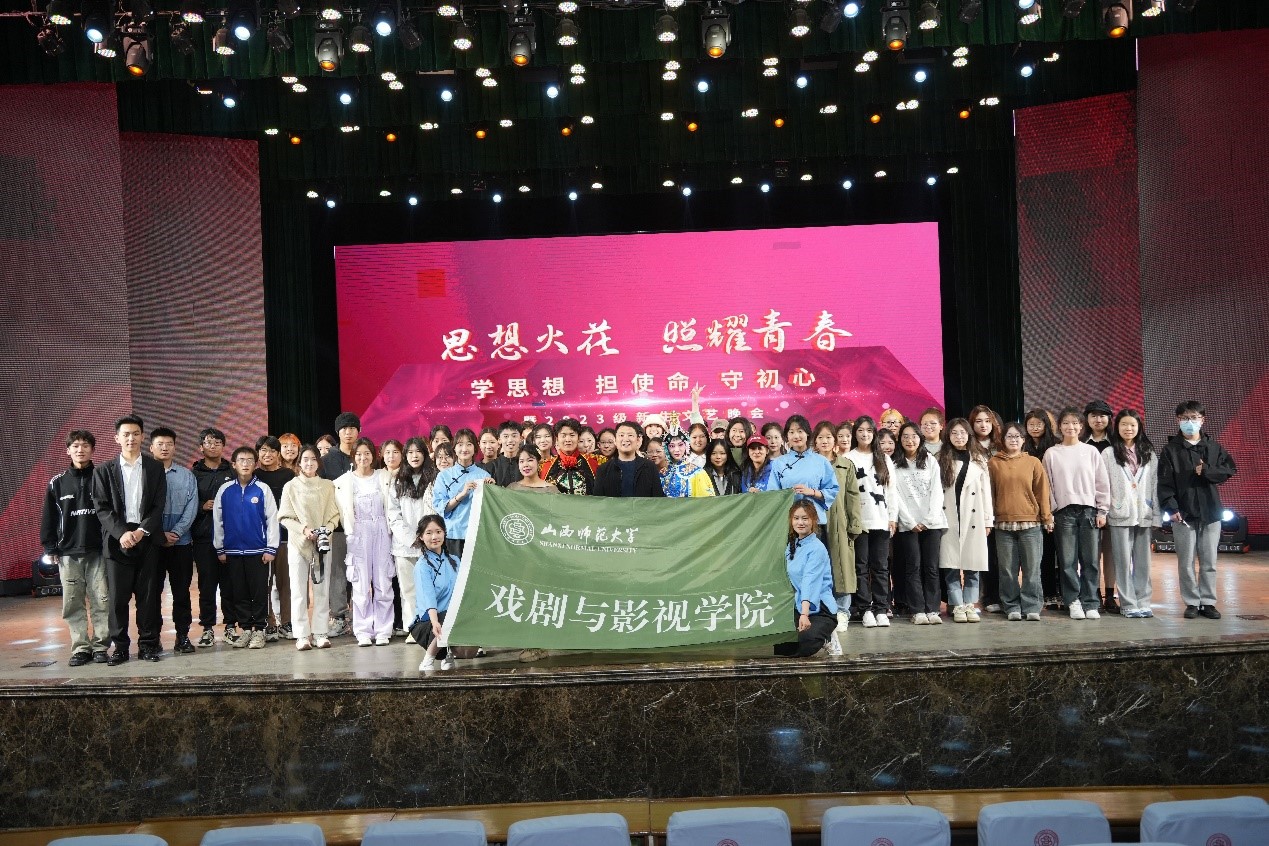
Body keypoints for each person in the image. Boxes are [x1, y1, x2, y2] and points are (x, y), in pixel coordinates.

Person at [93, 414, 167, 665]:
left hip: (147, 538)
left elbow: (158, 505)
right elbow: (102, 507)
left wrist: (142, 531)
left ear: (142, 437)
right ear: (117, 438)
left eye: (135, 434)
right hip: (118, 540)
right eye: (126, 434)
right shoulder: (104, 471)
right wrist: (122, 533)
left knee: (148, 597)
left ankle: (148, 645)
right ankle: (121, 648)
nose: (131, 438)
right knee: (118, 599)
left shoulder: (155, 468)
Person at [1158, 400, 1236, 620]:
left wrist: (1207, 471)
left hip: (1211, 511)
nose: (1189, 422)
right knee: (1186, 561)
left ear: (1203, 420)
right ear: (1178, 420)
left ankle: (1208, 602)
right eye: (1185, 418)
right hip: (1182, 513)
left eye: (1194, 417)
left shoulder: (1213, 447)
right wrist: (1171, 507)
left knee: (1209, 560)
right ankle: (1192, 601)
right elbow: (1164, 482)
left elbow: (1229, 469)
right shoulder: (1170, 450)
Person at [41, 430, 109, 666]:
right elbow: (49, 518)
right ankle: (80, 648)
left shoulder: (102, 477)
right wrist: (50, 547)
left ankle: (101, 647)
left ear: (93, 450)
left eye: (85, 446)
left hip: (99, 551)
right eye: (76, 446)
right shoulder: (57, 483)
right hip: (68, 553)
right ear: (68, 450)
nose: (81, 450)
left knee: (102, 600)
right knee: (72, 603)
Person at [334, 437, 405, 646]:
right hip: (358, 533)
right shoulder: (343, 481)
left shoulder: (384, 476)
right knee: (360, 583)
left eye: (367, 453)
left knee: (383, 581)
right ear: (353, 456)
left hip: (382, 531)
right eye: (358, 454)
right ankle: (363, 630)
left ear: (374, 456)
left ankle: (383, 629)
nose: (363, 458)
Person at [1044, 407, 1111, 621]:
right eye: (1066, 423)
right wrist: (1051, 511)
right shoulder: (1052, 453)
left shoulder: (1091, 452)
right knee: (1067, 561)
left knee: (1090, 560)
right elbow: (1047, 485)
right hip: (1063, 512)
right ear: (1060, 427)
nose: (1070, 427)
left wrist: (1102, 510)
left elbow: (1101, 482)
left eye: (1075, 423)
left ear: (1081, 427)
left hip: (1089, 511)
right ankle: (1073, 601)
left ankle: (1090, 602)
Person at [213, 446, 279, 650]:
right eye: (241, 460)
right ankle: (246, 629)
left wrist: (271, 548)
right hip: (232, 551)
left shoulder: (262, 489)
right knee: (239, 592)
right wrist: (220, 548)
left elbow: (272, 519)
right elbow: (218, 520)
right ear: (233, 464)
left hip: (258, 551)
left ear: (255, 464)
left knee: (259, 592)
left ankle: (259, 629)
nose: (245, 464)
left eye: (250, 460)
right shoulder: (225, 490)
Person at [277, 445, 341, 650]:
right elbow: (284, 517)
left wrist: (324, 531)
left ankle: (321, 632)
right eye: (305, 459)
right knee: (298, 590)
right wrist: (303, 530)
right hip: (298, 544)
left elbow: (334, 516)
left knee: (322, 589)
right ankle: (302, 635)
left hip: (322, 544)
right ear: (299, 462)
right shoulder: (291, 486)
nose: (309, 463)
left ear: (318, 462)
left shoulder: (328, 486)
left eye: (313, 459)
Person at [989, 422, 1053, 622]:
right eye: (1009, 436)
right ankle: (1011, 606)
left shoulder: (1033, 462)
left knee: (1032, 569)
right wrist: (989, 518)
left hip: (1030, 525)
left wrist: (1047, 517)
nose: (1013, 440)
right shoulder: (993, 463)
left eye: (1017, 436)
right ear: (1003, 440)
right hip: (1003, 525)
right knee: (1007, 570)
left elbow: (1042, 492)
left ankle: (1032, 606)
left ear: (1024, 440)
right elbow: (990, 493)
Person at [1103, 409, 1161, 619]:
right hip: (1119, 514)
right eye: (1124, 425)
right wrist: (1104, 510)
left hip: (1143, 513)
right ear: (1117, 427)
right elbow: (1103, 485)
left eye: (1132, 425)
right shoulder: (1109, 453)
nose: (1128, 429)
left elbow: (1155, 484)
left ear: (1139, 428)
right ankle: (1128, 604)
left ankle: (1143, 602)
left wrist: (1156, 514)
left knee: (1143, 563)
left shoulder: (1149, 453)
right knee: (1122, 562)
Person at [149, 427, 199, 654]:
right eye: (160, 444)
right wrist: (159, 534)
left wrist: (177, 532)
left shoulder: (187, 475)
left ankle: (183, 636)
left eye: (169, 444)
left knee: (181, 593)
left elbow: (192, 507)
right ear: (151, 447)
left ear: (175, 447)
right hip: (152, 544)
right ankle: (153, 639)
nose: (165, 448)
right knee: (152, 593)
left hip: (181, 544)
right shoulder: (144, 474)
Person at [938, 418, 993, 624]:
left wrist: (988, 520)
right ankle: (957, 605)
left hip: (973, 518)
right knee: (950, 565)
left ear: (969, 435)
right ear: (948, 436)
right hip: (949, 518)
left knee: (973, 564)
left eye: (962, 433)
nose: (959, 437)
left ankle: (970, 603)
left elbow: (986, 492)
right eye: (954, 433)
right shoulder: (940, 458)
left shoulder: (979, 460)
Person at [846, 416, 898, 628]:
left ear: (874, 433)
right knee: (860, 566)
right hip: (859, 522)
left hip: (880, 520)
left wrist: (892, 517)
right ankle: (865, 608)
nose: (865, 434)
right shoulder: (848, 458)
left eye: (869, 430)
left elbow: (891, 491)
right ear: (855, 433)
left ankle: (881, 608)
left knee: (881, 567)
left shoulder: (883, 459)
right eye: (861, 430)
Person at [893, 423, 946, 625]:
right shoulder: (894, 463)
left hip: (932, 522)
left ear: (920, 438)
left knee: (931, 567)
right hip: (908, 524)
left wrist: (928, 519)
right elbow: (895, 495)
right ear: (900, 440)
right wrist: (909, 521)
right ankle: (917, 610)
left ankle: (932, 609)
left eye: (914, 436)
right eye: (905, 436)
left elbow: (937, 491)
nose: (910, 440)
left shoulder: (930, 461)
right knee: (912, 566)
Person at [773, 501, 838, 658]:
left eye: (805, 518)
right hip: (798, 604)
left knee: (807, 641)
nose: (800, 522)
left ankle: (828, 637)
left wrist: (804, 614)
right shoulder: (792, 545)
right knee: (782, 645)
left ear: (814, 520)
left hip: (819, 608)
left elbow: (810, 582)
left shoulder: (817, 548)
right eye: (796, 518)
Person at [192, 427, 236, 646]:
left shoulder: (232, 471)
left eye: (218, 442)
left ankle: (230, 626)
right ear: (201, 447)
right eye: (209, 442)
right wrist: (202, 506)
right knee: (207, 585)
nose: (213, 446)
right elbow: (187, 503)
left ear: (223, 446)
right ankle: (207, 628)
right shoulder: (194, 474)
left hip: (230, 538)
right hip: (204, 537)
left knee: (230, 584)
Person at [389, 437, 436, 640]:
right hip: (404, 545)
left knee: (429, 588)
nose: (414, 456)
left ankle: (431, 628)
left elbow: (435, 509)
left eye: (418, 452)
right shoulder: (398, 480)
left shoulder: (434, 478)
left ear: (425, 454)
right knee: (408, 589)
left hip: (429, 542)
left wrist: (426, 536)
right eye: (410, 452)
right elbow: (393, 515)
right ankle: (414, 629)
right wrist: (411, 538)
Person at [321, 411, 362, 638]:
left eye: (352, 428)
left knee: (361, 571)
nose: (348, 432)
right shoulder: (328, 460)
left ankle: (359, 616)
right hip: (337, 527)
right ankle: (338, 616)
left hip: (362, 526)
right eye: (344, 428)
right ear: (338, 432)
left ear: (358, 431)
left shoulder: (364, 455)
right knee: (337, 572)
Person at [255, 436, 296, 640]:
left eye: (272, 450)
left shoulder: (288, 475)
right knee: (264, 583)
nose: (268, 454)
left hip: (285, 536)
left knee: (285, 581)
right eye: (263, 450)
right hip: (259, 537)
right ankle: (269, 622)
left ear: (278, 454)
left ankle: (287, 622)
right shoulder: (253, 476)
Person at [825, 443, 863, 651]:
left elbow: (853, 495)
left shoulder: (845, 465)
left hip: (840, 522)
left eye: (828, 437)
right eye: (820, 437)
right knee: (821, 568)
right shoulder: (811, 464)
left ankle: (842, 611)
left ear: (834, 442)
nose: (824, 441)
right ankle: (824, 612)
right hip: (816, 521)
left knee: (842, 567)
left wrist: (855, 523)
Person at [410, 515, 460, 672]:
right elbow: (428, 598)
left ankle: (448, 653)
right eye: (429, 533)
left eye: (438, 531)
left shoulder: (455, 560)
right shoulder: (422, 566)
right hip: (429, 622)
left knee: (468, 651)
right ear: (421, 536)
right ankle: (428, 659)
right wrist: (435, 622)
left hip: (453, 618)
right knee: (446, 618)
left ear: (444, 533)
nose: (434, 537)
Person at [432, 429, 493, 555]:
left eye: (469, 444)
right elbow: (440, 507)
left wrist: (492, 490)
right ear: (454, 448)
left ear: (475, 448)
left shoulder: (484, 475)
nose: (464, 449)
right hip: (453, 535)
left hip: (478, 535)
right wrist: (461, 494)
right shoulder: (444, 476)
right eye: (460, 444)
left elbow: (489, 510)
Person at [1023, 407, 1061, 609]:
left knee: (1056, 553)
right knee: (1039, 554)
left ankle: (1057, 592)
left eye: (1039, 424)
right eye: (1031, 424)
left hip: (1054, 505)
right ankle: (1044, 593)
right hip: (1030, 507)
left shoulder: (1056, 446)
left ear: (1046, 425)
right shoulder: (1023, 447)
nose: (1035, 427)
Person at [1083, 399, 1117, 612]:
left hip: (1115, 506)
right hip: (1088, 506)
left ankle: (1110, 595)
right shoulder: (1081, 444)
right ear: (1086, 419)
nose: (1098, 420)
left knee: (1111, 553)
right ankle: (1093, 592)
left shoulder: (1117, 443)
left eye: (1102, 415)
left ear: (1109, 419)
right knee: (1091, 554)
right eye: (1093, 415)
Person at [593, 422, 664, 497]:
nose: (626, 439)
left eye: (630, 435)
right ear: (615, 441)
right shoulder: (603, 469)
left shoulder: (650, 467)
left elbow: (658, 498)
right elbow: (598, 500)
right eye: (621, 435)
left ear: (638, 440)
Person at [540, 419, 601, 495]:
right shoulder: (546, 466)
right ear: (557, 439)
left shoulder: (593, 462)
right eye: (563, 436)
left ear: (578, 438)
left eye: (572, 435)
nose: (568, 440)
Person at [662, 429, 714, 498]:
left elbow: (706, 501)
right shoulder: (662, 473)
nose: (677, 450)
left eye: (680, 445)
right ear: (666, 448)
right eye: (672, 446)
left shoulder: (697, 473)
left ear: (686, 445)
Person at [484, 421, 524, 487]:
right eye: (506, 436)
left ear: (521, 439)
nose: (510, 440)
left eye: (514, 436)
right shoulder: (490, 467)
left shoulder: (527, 464)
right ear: (499, 440)